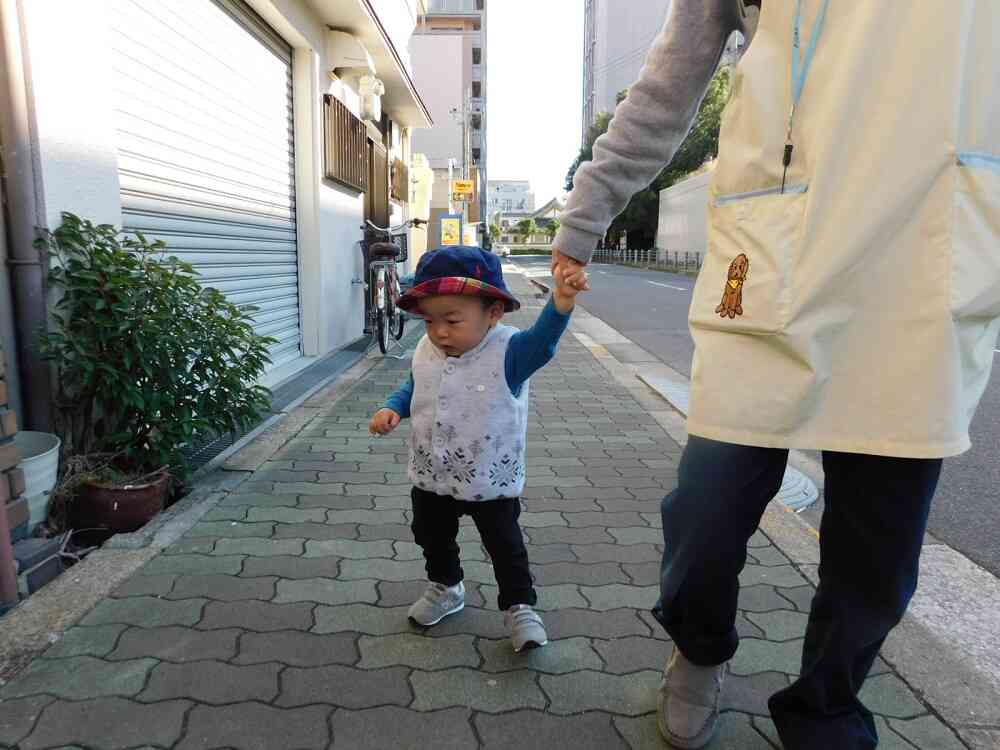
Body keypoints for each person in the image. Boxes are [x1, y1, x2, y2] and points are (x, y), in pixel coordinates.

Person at [552, 1, 1000, 748]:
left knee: (877, 558)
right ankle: (699, 643)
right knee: (705, 507)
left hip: (925, 254)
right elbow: (666, 88)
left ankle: (827, 710)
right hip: (777, 249)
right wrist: (584, 216)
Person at [369, 246, 587, 652]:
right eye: (430, 320)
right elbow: (416, 385)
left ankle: (520, 606)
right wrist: (392, 408)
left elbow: (543, 343)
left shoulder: (511, 352)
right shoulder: (427, 349)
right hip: (432, 471)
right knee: (430, 534)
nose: (439, 332)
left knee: (504, 545)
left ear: (494, 313)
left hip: (488, 477)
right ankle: (447, 586)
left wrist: (561, 302)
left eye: (452, 320)